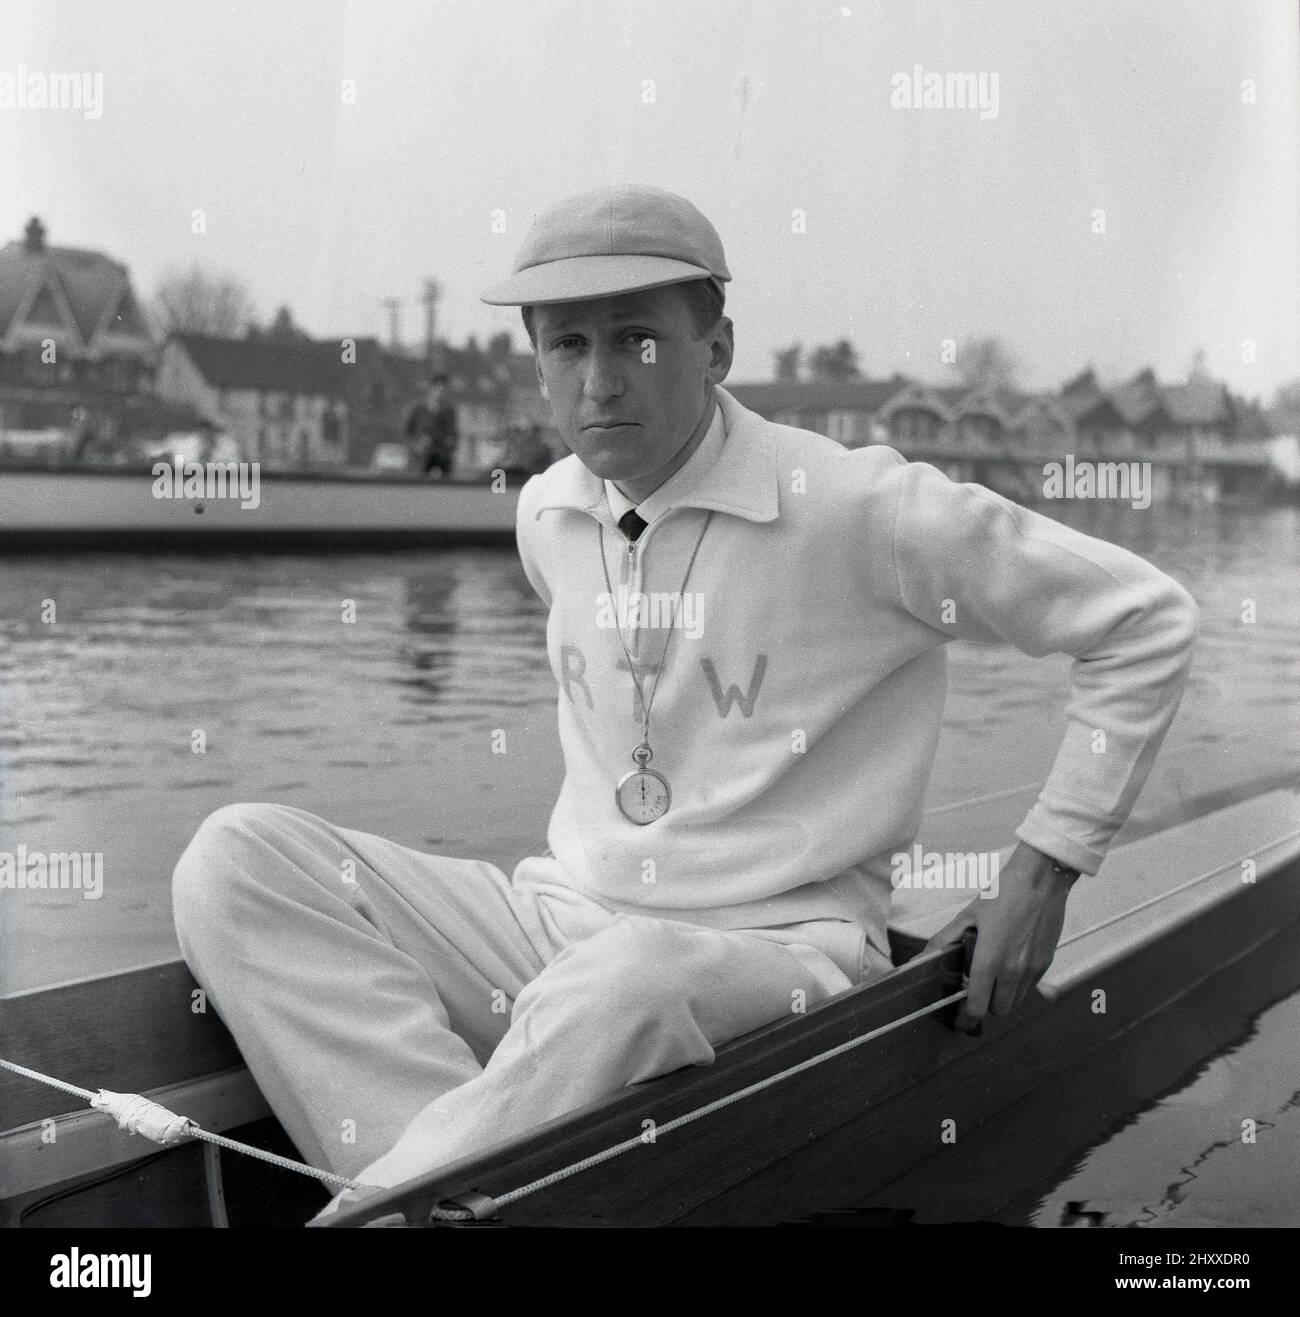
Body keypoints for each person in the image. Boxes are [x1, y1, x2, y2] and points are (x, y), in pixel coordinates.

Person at [171, 183, 1198, 1219]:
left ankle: (393, 1201)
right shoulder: (546, 513)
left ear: (716, 349)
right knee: (237, 856)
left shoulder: (857, 508)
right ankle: (445, 1183)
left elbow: (1141, 620)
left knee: (629, 980)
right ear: (536, 365)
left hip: (779, 950)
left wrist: (1042, 872)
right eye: (566, 346)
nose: (601, 381)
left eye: (637, 339)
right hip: (556, 925)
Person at [404, 375, 458, 476]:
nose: (441, 394)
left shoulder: (449, 412)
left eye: (445, 391)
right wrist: (416, 446)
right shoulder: (419, 410)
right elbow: (409, 432)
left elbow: (453, 434)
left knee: (447, 485)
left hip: (442, 455)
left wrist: (450, 445)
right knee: (419, 484)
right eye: (439, 390)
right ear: (431, 390)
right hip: (422, 455)